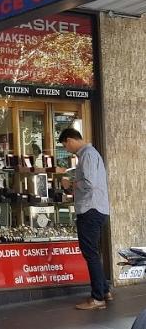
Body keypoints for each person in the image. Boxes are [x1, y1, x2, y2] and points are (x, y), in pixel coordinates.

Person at [58, 128, 112, 310]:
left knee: (90, 254)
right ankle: (104, 290)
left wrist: (70, 183)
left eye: (66, 145)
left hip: (90, 209)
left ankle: (97, 298)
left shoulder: (87, 155)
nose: (67, 149)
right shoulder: (90, 154)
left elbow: (89, 183)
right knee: (94, 253)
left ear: (70, 140)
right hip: (96, 209)